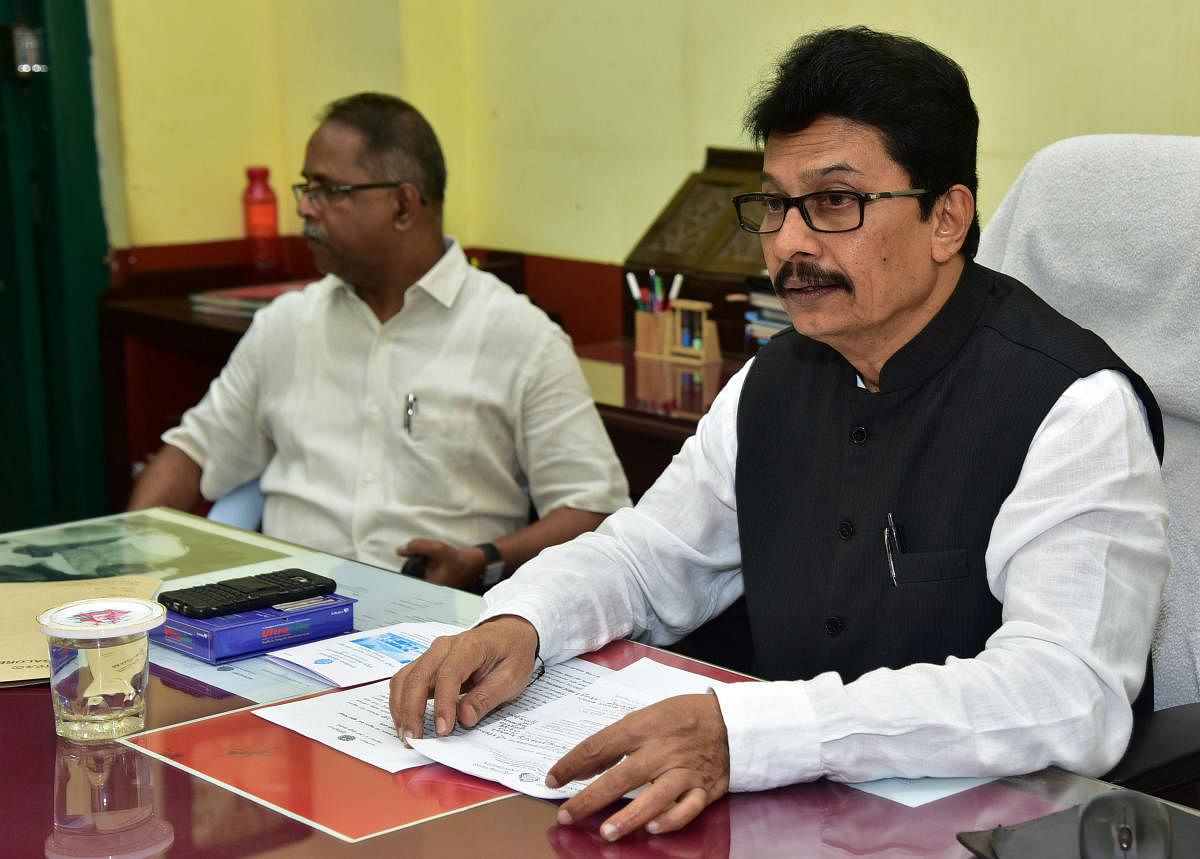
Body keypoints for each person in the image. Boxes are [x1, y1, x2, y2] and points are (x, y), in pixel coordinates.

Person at [389, 27, 1171, 841]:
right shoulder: (774, 379)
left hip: (989, 831)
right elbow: (647, 556)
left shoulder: (1074, 406)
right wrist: (519, 621)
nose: (789, 242)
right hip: (790, 816)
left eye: (834, 202)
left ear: (948, 219)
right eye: (774, 203)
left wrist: (751, 733)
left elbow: (1065, 693)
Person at [128, 93, 630, 591]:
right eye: (306, 187)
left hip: (439, 623)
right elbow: (191, 453)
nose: (304, 207)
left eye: (327, 190)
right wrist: (127, 570)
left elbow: (593, 509)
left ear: (404, 204)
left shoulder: (519, 337)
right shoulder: (286, 325)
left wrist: (484, 559)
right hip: (280, 615)